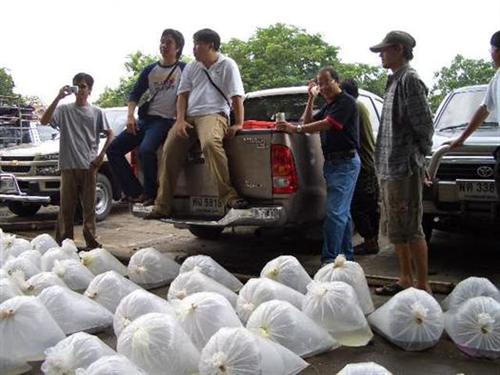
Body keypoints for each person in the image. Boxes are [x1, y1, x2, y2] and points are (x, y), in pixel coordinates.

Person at [145, 28, 247, 220]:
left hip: (213, 114)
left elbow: (236, 97)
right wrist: (181, 120)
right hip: (189, 116)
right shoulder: (192, 67)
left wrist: (239, 123)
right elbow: (182, 96)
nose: (194, 49)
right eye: (193, 44)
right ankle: (162, 205)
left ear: (211, 45)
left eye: (198, 44)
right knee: (168, 150)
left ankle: (229, 196)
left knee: (209, 143)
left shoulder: (227, 65)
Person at [369, 31, 434, 295]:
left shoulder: (410, 80)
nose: (381, 56)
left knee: (411, 228)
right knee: (397, 227)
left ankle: (423, 285)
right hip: (390, 168)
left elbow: (425, 127)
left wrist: (420, 159)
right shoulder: (394, 80)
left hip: (404, 168)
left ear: (398, 49)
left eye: (384, 50)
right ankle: (405, 279)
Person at [276, 67, 360, 263]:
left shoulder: (346, 102)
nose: (323, 87)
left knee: (334, 214)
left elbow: (326, 124)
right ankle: (347, 256)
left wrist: (295, 128)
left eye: (326, 82)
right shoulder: (329, 105)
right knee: (342, 213)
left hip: (345, 163)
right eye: (319, 84)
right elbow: (307, 122)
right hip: (332, 163)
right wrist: (311, 98)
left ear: (337, 81)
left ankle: (329, 260)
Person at [106, 29, 185, 206]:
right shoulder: (150, 70)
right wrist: (130, 117)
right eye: (162, 41)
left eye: (169, 42)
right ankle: (135, 191)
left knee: (146, 150)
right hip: (146, 120)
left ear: (178, 47)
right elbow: (134, 94)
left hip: (165, 120)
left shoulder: (183, 69)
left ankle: (151, 194)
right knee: (113, 150)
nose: (164, 45)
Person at [40, 73, 113, 249]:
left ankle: (91, 241)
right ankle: (65, 243)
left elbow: (110, 134)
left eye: (82, 86)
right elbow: (44, 120)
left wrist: (101, 155)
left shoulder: (96, 112)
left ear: (89, 90)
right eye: (76, 85)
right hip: (68, 165)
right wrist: (58, 97)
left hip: (88, 165)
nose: (79, 89)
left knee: (89, 208)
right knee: (66, 208)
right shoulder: (64, 110)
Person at [448, 30, 500, 198]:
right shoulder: (497, 78)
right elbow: (484, 109)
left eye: (491, 50)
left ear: (497, 51)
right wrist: (462, 138)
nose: (490, 55)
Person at [341, 79, 380, 255]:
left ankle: (370, 241)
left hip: (362, 164)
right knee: (369, 205)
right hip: (369, 162)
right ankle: (372, 240)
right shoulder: (360, 106)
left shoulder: (352, 107)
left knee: (359, 206)